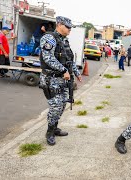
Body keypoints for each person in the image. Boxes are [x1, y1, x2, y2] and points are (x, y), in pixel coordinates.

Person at [39, 16, 82, 146]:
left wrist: (76, 72)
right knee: (56, 105)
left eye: (70, 27)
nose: (70, 30)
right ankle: (50, 132)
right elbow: (48, 58)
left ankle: (55, 127)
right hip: (51, 79)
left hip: (63, 80)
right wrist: (64, 71)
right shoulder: (49, 38)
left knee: (63, 104)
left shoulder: (65, 41)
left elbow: (69, 60)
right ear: (59, 25)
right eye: (67, 27)